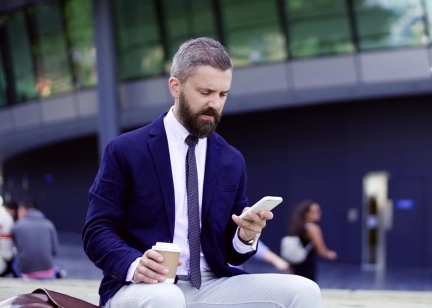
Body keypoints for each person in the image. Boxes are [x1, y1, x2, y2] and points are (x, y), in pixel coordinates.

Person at [82, 37, 321, 308]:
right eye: (205, 92)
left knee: (304, 290)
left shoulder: (231, 159)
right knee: (167, 298)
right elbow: (97, 229)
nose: (215, 104)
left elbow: (233, 252)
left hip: (211, 283)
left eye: (222, 95)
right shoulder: (126, 150)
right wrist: (133, 264)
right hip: (141, 286)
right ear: (176, 86)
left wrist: (245, 236)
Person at [12, 198, 65, 279]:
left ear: (23, 210)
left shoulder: (17, 226)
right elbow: (55, 251)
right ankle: (57, 272)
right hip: (48, 271)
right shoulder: (49, 224)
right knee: (55, 267)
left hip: (25, 272)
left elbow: (15, 251)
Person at [287, 200, 337, 281]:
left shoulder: (298, 227)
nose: (319, 213)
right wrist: (330, 254)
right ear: (307, 213)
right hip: (307, 267)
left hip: (296, 266)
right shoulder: (313, 228)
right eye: (315, 211)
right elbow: (321, 250)